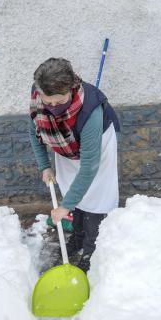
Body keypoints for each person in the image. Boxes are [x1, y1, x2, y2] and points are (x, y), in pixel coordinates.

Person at [28, 57, 121, 271]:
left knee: (97, 194)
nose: (52, 108)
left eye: (59, 102)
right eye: (48, 102)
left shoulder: (91, 111)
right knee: (71, 186)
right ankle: (78, 238)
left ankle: (91, 249)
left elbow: (89, 166)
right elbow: (34, 130)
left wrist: (65, 206)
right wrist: (45, 165)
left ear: (70, 90)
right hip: (64, 141)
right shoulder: (38, 94)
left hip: (96, 144)